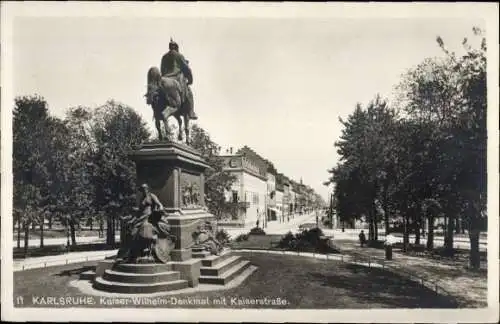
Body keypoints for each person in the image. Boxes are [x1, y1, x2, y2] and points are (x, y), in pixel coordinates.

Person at [160, 39, 197, 120]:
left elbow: (161, 70)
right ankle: (191, 112)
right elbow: (186, 69)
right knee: (189, 93)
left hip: (164, 78)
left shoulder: (164, 57)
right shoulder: (179, 55)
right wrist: (190, 80)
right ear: (176, 48)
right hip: (176, 77)